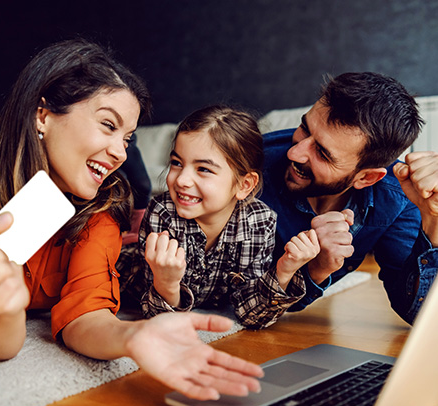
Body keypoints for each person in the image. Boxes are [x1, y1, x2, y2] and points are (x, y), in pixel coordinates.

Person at [0, 39, 263, 401]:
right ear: (42, 115)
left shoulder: (103, 206)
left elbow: (86, 314)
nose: (121, 153)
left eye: (128, 139)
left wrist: (131, 336)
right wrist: (4, 310)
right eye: (108, 125)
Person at [260, 72, 438, 325]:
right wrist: (316, 270)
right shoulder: (247, 169)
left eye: (322, 152)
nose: (295, 152)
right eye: (304, 128)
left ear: (366, 178)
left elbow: (421, 313)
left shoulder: (396, 195)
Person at [119, 105, 320, 328]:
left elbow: (251, 315)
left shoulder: (260, 221)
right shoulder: (163, 212)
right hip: (128, 282)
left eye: (203, 169)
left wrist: (285, 270)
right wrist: (167, 282)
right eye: (177, 163)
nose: (182, 180)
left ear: (244, 185)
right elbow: (159, 318)